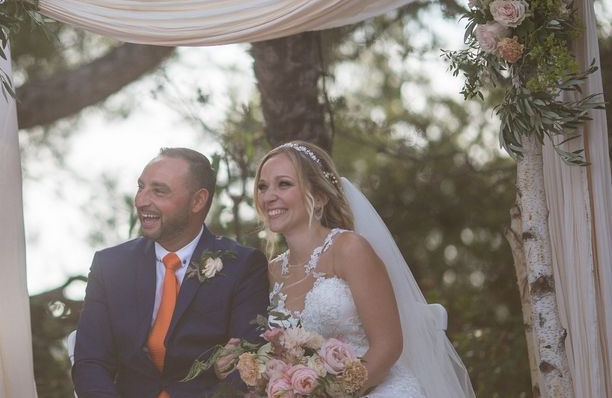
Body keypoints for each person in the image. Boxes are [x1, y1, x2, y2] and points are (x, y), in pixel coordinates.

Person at [252, 140, 475, 397]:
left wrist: (333, 393)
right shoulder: (271, 271)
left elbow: (388, 346)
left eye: (284, 184)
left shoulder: (349, 249)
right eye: (262, 186)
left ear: (320, 196)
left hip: (376, 386)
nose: (269, 196)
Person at [72, 147, 269, 397]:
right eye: (140, 187)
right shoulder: (110, 265)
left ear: (197, 201)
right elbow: (91, 362)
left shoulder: (242, 266)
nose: (142, 200)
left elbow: (245, 365)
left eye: (159, 190)